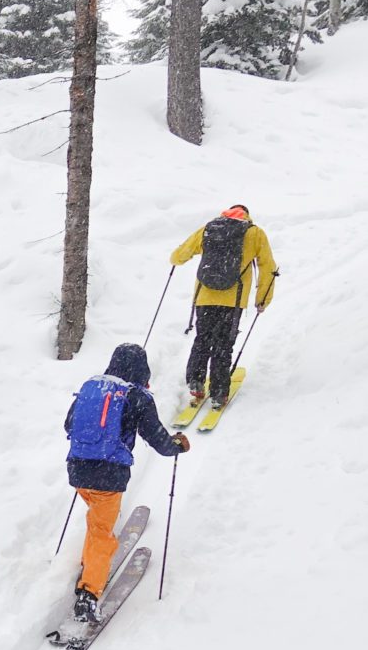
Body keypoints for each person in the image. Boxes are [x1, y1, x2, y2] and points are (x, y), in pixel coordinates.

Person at [64, 343, 189, 622]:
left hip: (77, 470)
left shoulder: (92, 387)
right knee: (102, 532)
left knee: (96, 521)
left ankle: (90, 563)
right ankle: (88, 594)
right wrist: (177, 446)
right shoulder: (137, 397)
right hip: (108, 475)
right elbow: (158, 440)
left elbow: (68, 425)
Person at [170, 205, 277, 410]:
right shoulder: (254, 233)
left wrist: (175, 259)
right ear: (246, 216)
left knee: (202, 339)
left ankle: (196, 380)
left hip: (205, 297)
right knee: (223, 346)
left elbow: (180, 254)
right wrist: (262, 299)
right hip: (233, 301)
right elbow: (267, 267)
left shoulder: (209, 229)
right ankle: (219, 393)